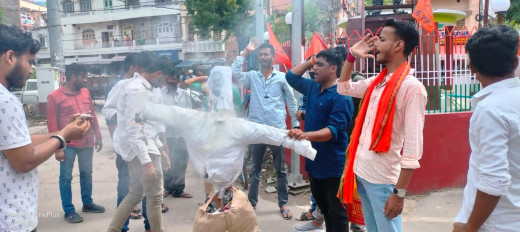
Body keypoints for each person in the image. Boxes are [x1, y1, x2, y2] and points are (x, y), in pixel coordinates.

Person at [336, 19, 426, 232]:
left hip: (383, 181)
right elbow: (344, 88)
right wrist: (351, 56)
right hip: (362, 172)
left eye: (382, 39)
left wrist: (399, 194)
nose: (375, 44)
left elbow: (413, 152)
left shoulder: (412, 89)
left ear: (398, 46)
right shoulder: (378, 81)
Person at [0, 24, 90, 232]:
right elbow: (24, 161)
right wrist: (64, 137)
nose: (32, 70)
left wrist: (61, 132)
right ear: (10, 57)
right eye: (30, 62)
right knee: (66, 177)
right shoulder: (6, 101)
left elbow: (16, 143)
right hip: (11, 222)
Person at [452, 25, 520, 232]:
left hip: (496, 224)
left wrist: (470, 227)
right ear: (515, 62)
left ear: (471, 67)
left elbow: (494, 180)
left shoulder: (490, 109)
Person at [286, 49, 353, 232]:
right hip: (314, 161)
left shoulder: (341, 96)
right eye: (314, 64)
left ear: (333, 69)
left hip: (333, 166)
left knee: (337, 214)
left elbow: (333, 130)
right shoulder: (313, 87)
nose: (314, 68)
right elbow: (290, 77)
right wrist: (310, 61)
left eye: (319, 65)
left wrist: (305, 135)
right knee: (324, 208)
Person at [232, 41, 299, 219]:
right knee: (255, 168)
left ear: (272, 57)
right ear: (258, 57)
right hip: (256, 129)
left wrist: (296, 124)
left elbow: (291, 102)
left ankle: (283, 204)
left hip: (277, 129)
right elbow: (235, 73)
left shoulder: (282, 77)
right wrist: (245, 52)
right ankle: (252, 203)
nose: (263, 57)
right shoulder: (252, 76)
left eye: (266, 54)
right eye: (260, 55)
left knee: (281, 169)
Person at [107, 53, 172, 232]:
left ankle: (112, 230)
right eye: (164, 78)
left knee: (136, 193)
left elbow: (147, 124)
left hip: (144, 146)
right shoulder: (137, 91)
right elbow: (134, 130)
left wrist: (160, 147)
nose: (164, 83)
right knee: (155, 196)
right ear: (158, 73)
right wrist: (147, 162)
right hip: (140, 149)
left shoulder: (144, 89)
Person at [46, 63, 105, 223]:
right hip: (68, 145)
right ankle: (69, 210)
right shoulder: (54, 96)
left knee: (87, 173)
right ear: (73, 77)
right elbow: (52, 124)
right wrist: (57, 148)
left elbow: (92, 115)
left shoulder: (85, 92)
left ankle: (88, 203)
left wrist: (98, 136)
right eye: (82, 77)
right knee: (66, 177)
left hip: (87, 142)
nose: (85, 80)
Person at [102, 53, 146, 230]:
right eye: (144, 69)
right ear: (135, 68)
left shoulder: (145, 87)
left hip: (143, 146)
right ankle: (122, 227)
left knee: (146, 187)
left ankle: (149, 224)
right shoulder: (121, 86)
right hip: (126, 148)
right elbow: (107, 110)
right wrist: (123, 114)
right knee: (125, 188)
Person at [160, 69, 193, 199]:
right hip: (166, 134)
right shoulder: (160, 94)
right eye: (169, 79)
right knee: (167, 162)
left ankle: (179, 189)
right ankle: (168, 188)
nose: (171, 81)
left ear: (178, 80)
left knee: (181, 162)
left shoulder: (184, 94)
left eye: (174, 79)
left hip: (181, 134)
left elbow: (189, 112)